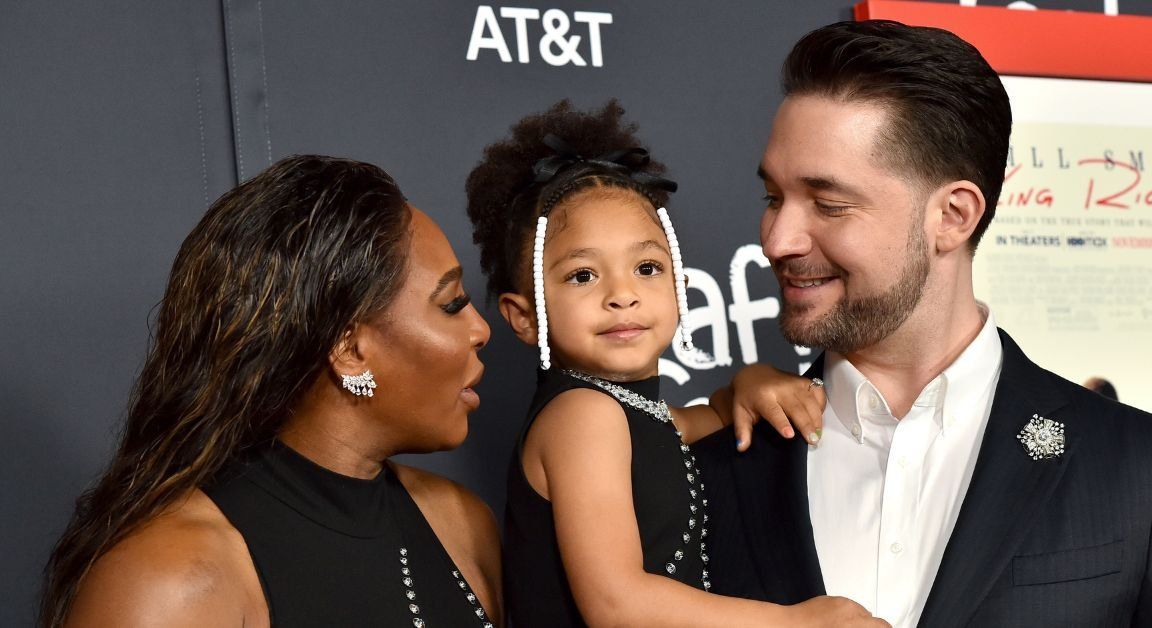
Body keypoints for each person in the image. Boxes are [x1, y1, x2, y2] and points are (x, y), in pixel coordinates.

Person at [699, 19, 1152, 628]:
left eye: (829, 204)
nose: (778, 240)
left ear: (954, 216)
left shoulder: (1134, 462)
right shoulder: (707, 466)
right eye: (773, 198)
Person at [465, 100, 884, 627]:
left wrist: (747, 383)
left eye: (646, 267)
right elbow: (616, 603)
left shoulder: (633, 415)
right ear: (522, 316)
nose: (623, 295)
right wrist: (794, 623)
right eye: (582, 276)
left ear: (680, 288)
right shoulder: (582, 418)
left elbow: (698, 419)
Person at [42, 156, 501, 627]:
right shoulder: (168, 579)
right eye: (451, 305)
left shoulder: (461, 525)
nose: (481, 330)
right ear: (350, 350)